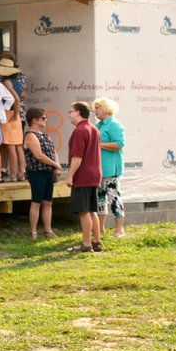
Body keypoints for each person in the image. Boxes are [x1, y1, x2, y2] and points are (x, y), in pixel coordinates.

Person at [66, 101, 102, 253]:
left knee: (84, 211)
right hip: (95, 174)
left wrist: (69, 176)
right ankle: (97, 242)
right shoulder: (94, 129)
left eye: (71, 111)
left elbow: (77, 157)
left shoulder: (79, 131)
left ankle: (86, 244)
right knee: (92, 210)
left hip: (83, 175)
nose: (69, 114)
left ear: (78, 113)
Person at [23, 108, 62, 240]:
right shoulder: (30, 135)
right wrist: (55, 165)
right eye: (43, 118)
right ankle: (33, 232)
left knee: (48, 202)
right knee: (36, 202)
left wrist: (56, 165)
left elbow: (53, 151)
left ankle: (48, 230)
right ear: (35, 120)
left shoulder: (45, 135)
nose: (46, 120)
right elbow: (39, 156)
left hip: (48, 172)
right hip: (37, 172)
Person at [93, 97, 126, 238]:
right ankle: (101, 228)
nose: (95, 111)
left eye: (97, 108)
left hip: (111, 169)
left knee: (114, 199)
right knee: (100, 199)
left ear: (106, 109)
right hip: (99, 169)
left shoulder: (114, 124)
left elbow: (119, 144)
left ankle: (120, 230)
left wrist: (100, 145)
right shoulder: (99, 125)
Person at [0, 55, 25, 181]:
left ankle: (12, 174)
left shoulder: (6, 82)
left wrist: (15, 114)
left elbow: (16, 99)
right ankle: (21, 173)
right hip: (14, 115)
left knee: (11, 146)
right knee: (18, 146)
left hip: (10, 114)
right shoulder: (15, 81)